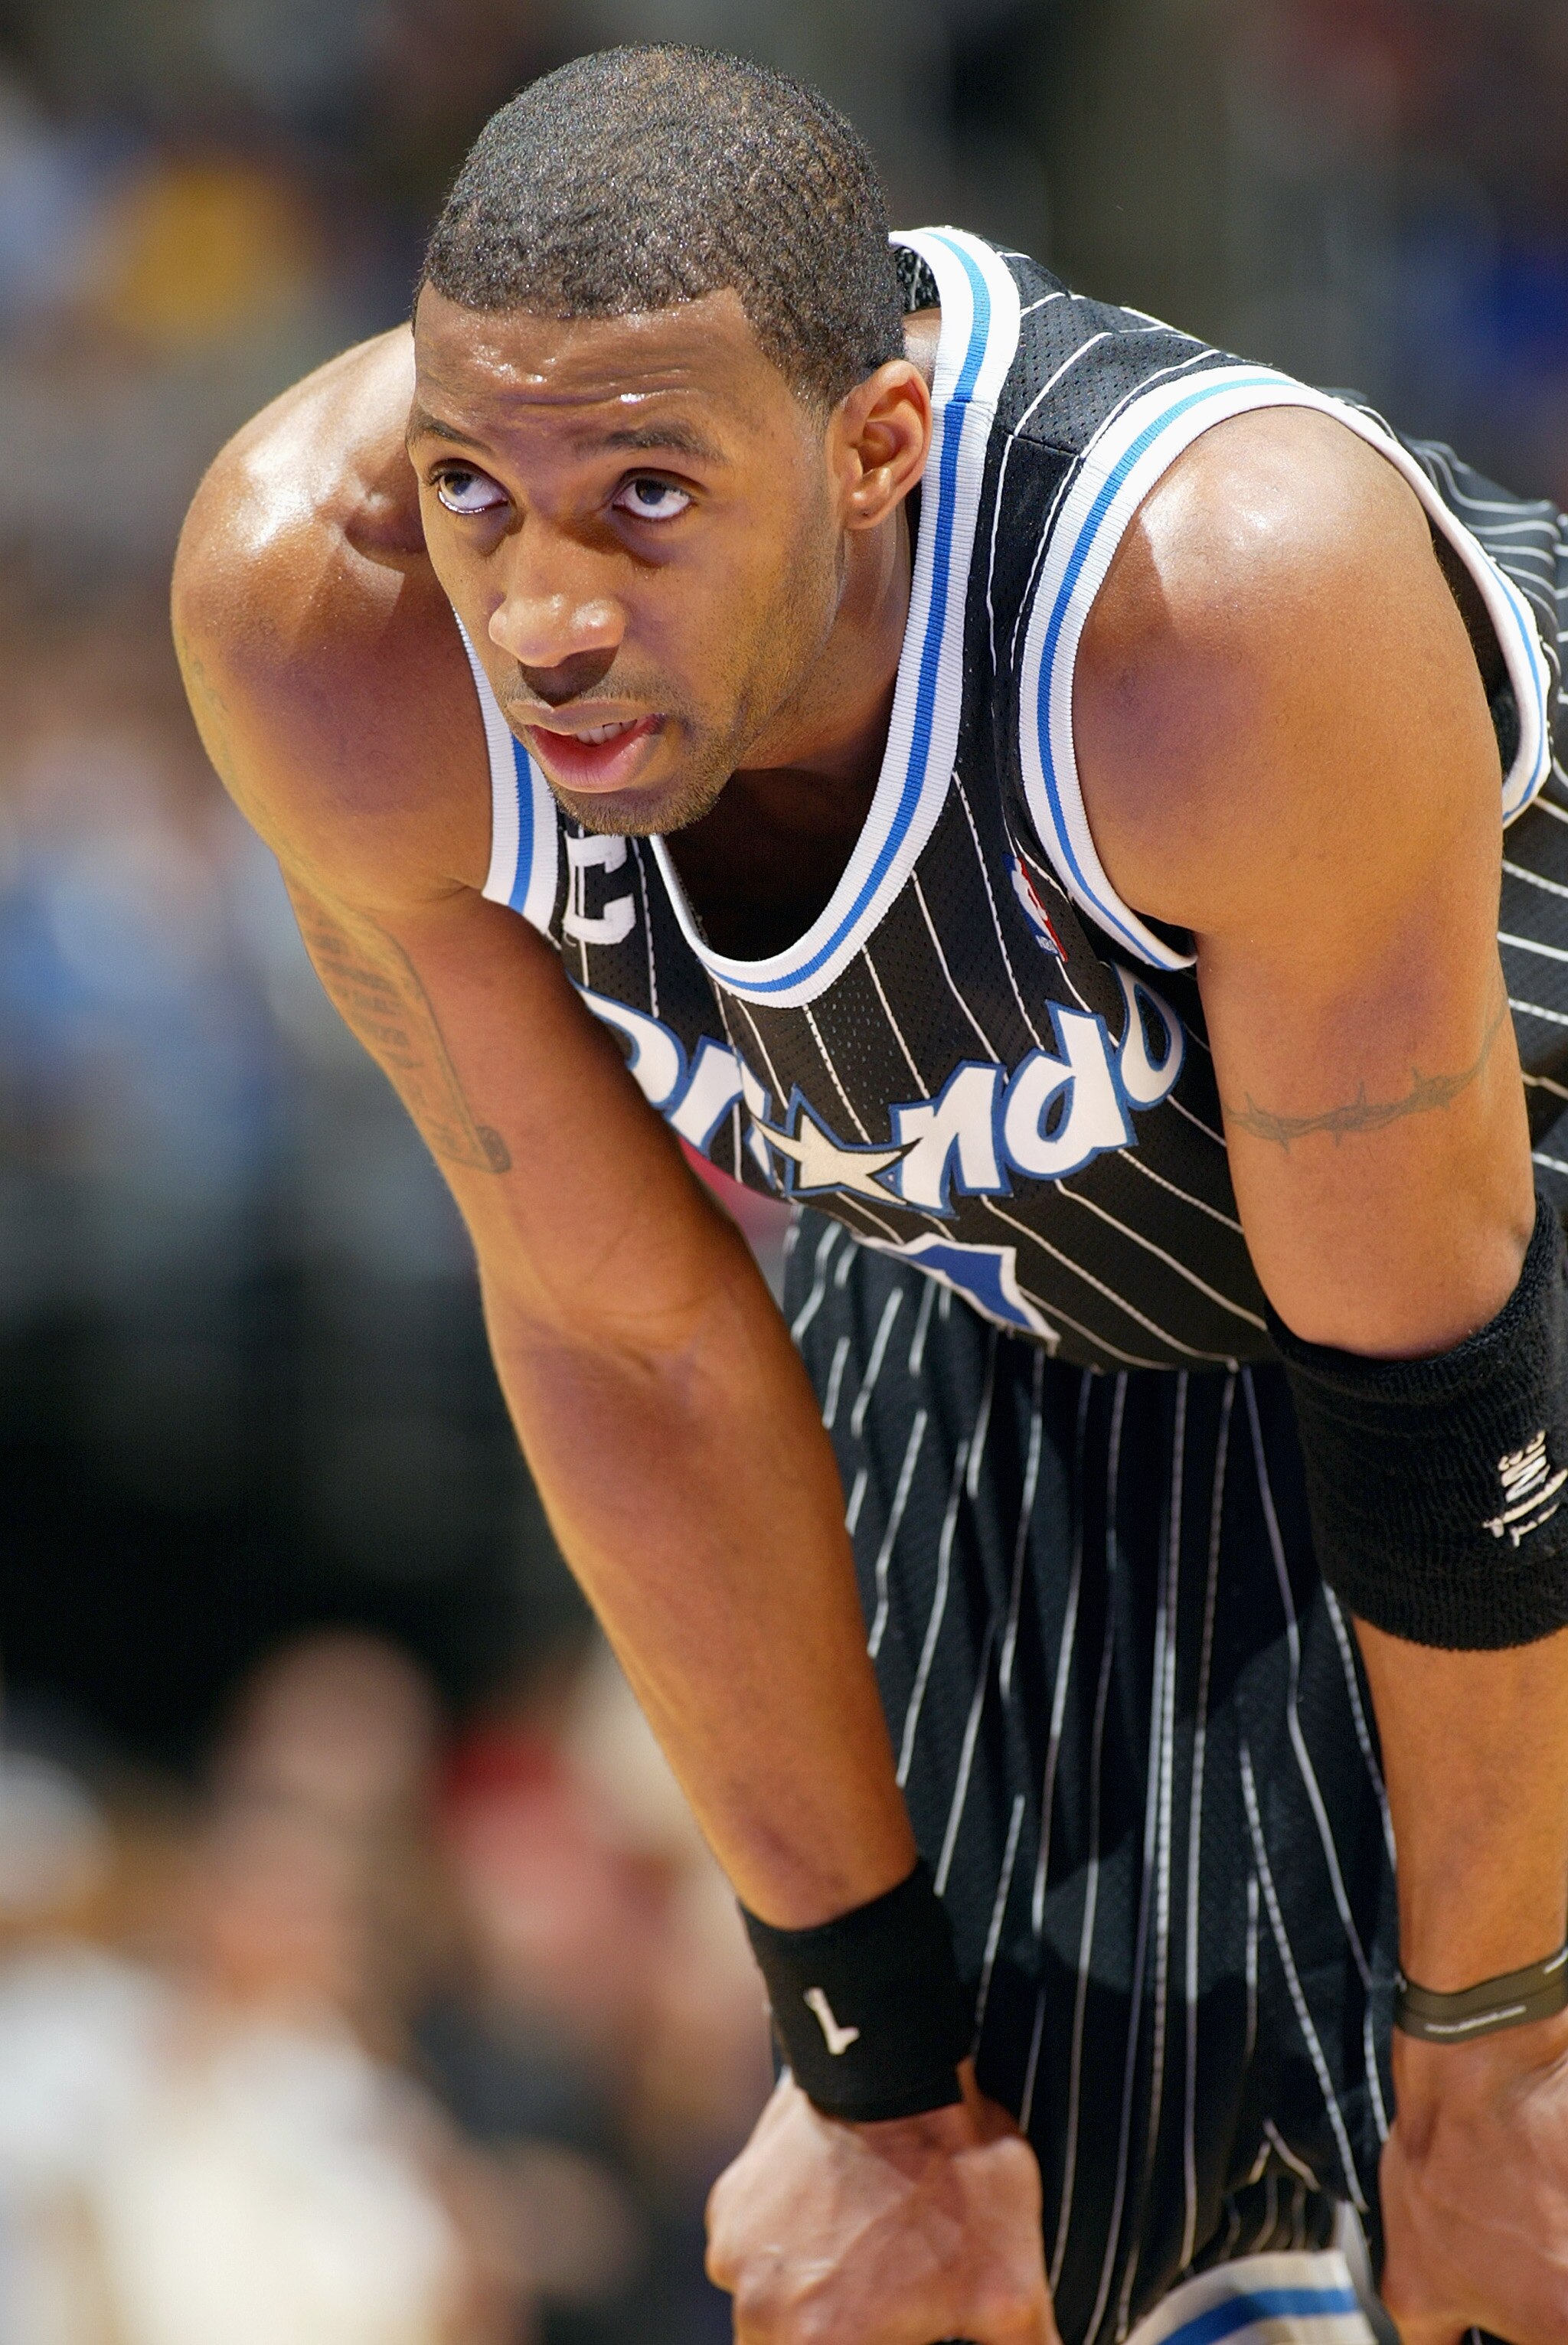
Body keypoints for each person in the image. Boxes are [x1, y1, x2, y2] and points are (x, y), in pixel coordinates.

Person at [169, 44, 1568, 2344]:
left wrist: (1499, 2048)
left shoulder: (1205, 610)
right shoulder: (329, 627)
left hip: (1488, 1209)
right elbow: (619, 1324)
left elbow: (1430, 1360)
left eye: (642, 496)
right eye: (475, 489)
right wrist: (867, 2076)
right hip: (1034, 1285)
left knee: (1493, 2229)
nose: (539, 615)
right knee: (964, 2265)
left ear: (877, 449)